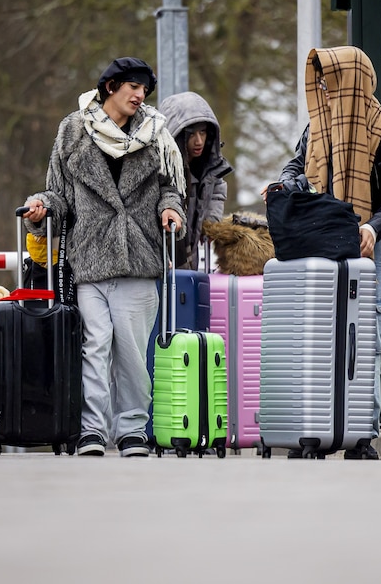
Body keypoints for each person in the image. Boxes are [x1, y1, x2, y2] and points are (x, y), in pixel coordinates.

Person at [22, 57, 185, 457]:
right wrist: (41, 207)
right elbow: (58, 193)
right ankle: (92, 430)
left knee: (131, 353)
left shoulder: (155, 133)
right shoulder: (72, 131)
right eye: (133, 86)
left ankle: (132, 430)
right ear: (110, 86)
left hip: (138, 258)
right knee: (93, 347)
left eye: (145, 89)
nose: (140, 95)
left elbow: (169, 187)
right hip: (89, 261)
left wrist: (171, 209)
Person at [276, 46, 381, 459]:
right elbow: (297, 166)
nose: (323, 88)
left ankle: (360, 434)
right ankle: (317, 429)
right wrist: (286, 184)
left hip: (372, 239)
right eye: (320, 81)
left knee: (367, 331)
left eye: (330, 80)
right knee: (319, 330)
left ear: (353, 79)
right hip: (322, 233)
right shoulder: (317, 126)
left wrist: (373, 228)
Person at [158, 92, 232, 270]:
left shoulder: (211, 166)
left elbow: (217, 190)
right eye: (191, 134)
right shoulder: (159, 167)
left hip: (193, 248)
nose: (199, 141)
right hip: (164, 253)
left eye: (203, 132)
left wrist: (211, 222)